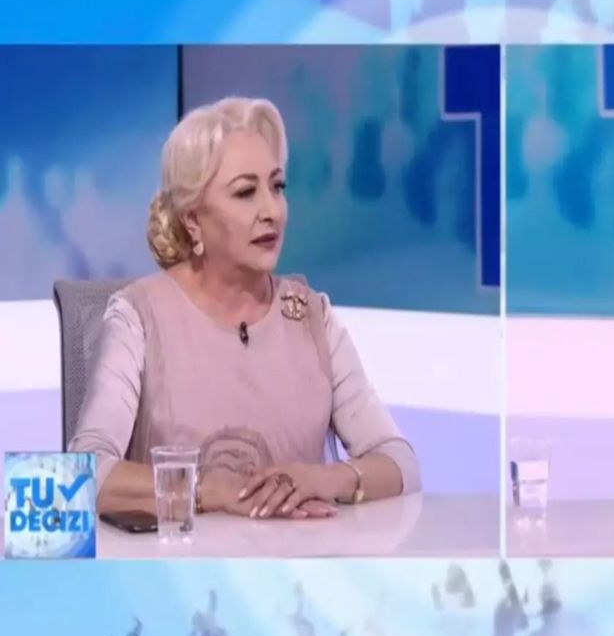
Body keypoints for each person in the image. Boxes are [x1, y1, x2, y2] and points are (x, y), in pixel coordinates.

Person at [70, 97, 420, 519]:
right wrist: (212, 491)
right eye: (245, 192)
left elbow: (400, 463)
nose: (271, 211)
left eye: (277, 187)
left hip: (298, 557)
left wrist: (324, 479)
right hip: (180, 558)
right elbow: (85, 473)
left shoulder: (313, 319)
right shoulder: (138, 318)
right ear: (193, 220)